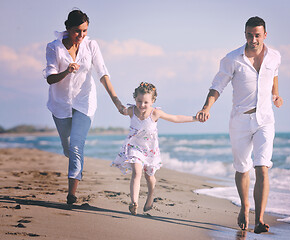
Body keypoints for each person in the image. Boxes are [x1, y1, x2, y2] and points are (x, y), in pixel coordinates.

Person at [196, 16, 283, 234]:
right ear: (244, 34)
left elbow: (274, 75)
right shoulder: (232, 59)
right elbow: (217, 86)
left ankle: (259, 219)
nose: (253, 39)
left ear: (265, 35)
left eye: (257, 35)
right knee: (242, 168)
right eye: (249, 35)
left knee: (262, 166)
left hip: (265, 119)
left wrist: (276, 94)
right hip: (240, 120)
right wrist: (207, 107)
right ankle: (244, 206)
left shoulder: (274, 56)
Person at [44, 10, 126, 205]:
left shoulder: (91, 45)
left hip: (85, 101)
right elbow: (49, 78)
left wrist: (116, 100)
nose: (81, 36)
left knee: (76, 145)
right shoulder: (53, 48)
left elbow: (102, 73)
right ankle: (74, 164)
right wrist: (66, 71)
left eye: (85, 31)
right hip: (60, 104)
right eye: (77, 31)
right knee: (68, 148)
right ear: (68, 28)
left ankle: (71, 194)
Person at [112, 82, 197, 215]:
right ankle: (134, 202)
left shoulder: (155, 113)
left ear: (152, 101)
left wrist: (195, 118)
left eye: (146, 102)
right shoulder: (132, 111)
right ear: (135, 99)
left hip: (150, 150)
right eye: (139, 101)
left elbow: (175, 118)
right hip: (135, 147)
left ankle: (151, 194)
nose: (142, 105)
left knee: (149, 176)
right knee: (136, 172)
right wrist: (114, 98)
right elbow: (120, 108)